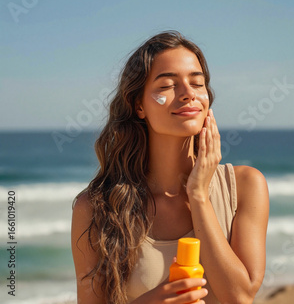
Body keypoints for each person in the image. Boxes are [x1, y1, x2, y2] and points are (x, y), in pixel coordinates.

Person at [71, 31, 269, 304]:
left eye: (197, 84)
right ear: (138, 105)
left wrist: (199, 196)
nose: (189, 94)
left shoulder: (245, 186)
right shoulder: (95, 208)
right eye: (167, 86)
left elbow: (240, 297)